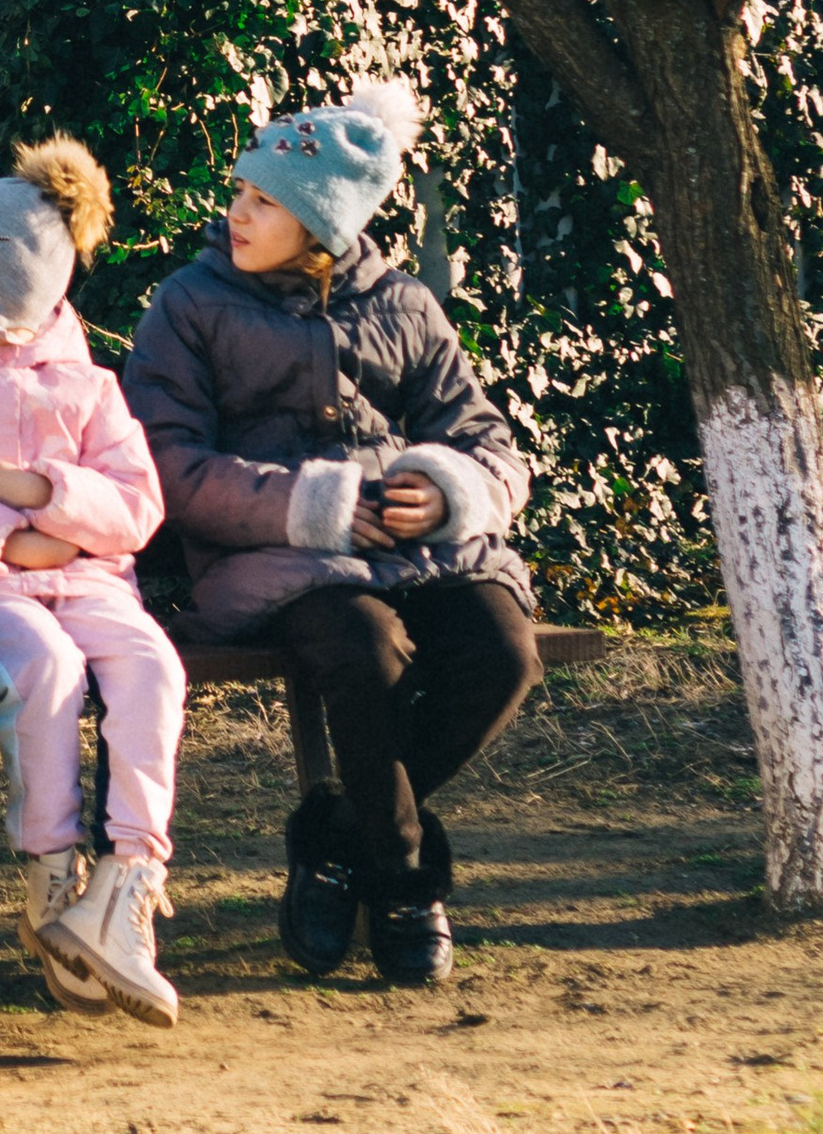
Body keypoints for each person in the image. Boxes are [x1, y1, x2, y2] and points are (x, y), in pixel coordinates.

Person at [122, 76, 539, 988]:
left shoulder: (404, 305)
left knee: (505, 655)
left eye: (264, 201)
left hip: (422, 548)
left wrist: (446, 492)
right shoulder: (190, 306)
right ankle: (402, 887)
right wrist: (311, 506)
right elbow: (166, 463)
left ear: (324, 222)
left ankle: (335, 845)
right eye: (240, 191)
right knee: (363, 649)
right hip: (275, 560)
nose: (236, 212)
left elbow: (488, 440)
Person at [0, 137, 186, 1027]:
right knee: (46, 670)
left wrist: (44, 492)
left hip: (93, 582)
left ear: (14, 293)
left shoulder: (90, 388)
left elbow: (138, 505)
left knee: (151, 668)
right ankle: (52, 881)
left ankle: (128, 883)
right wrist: (9, 540)